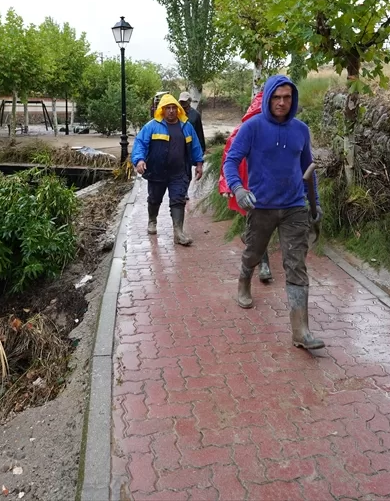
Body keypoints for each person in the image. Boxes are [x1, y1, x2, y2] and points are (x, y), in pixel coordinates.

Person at [222, 74, 323, 350]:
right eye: (276, 97)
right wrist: (238, 189)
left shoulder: (301, 130)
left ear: (293, 99)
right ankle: (244, 281)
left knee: (296, 265)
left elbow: (308, 169)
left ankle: (301, 331)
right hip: (261, 206)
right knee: (254, 252)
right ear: (267, 98)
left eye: (287, 97)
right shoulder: (252, 127)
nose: (281, 102)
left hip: (294, 207)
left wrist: (315, 204)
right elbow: (231, 161)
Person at [132, 93, 204, 245]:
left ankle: (178, 232)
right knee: (154, 198)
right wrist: (139, 160)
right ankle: (152, 220)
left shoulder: (186, 126)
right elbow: (140, 144)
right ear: (162, 110)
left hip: (179, 172)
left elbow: (196, 146)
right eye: (167, 108)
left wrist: (199, 164)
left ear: (178, 109)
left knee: (178, 200)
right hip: (157, 171)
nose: (171, 111)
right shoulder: (152, 126)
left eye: (173, 108)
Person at [218, 89, 274, 283]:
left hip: (273, 187)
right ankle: (263, 265)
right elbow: (229, 159)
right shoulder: (243, 131)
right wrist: (229, 186)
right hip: (249, 187)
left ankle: (249, 238)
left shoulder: (281, 130)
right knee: (260, 225)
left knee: (265, 225)